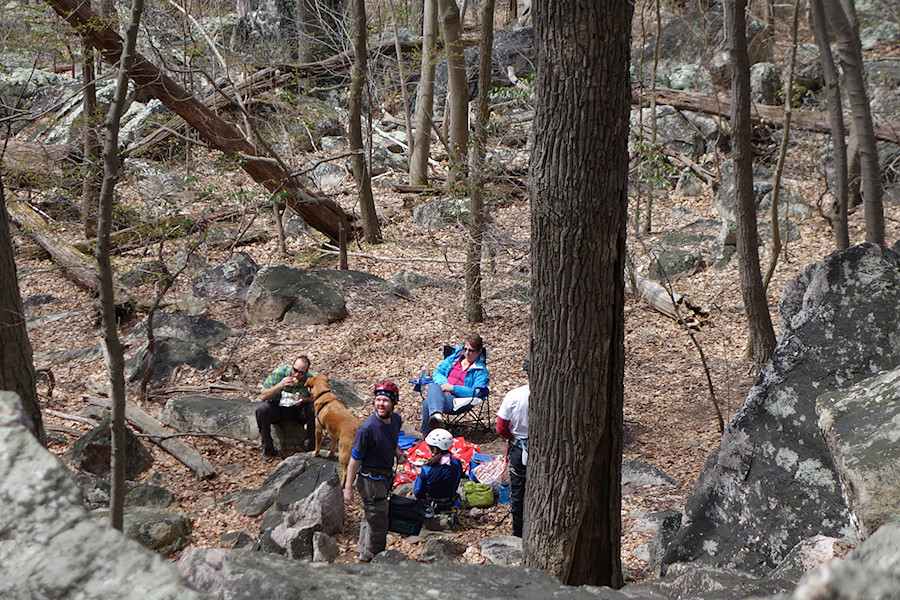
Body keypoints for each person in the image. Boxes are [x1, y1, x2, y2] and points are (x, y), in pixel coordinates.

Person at [343, 380, 408, 562]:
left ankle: (364, 552)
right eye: (378, 400)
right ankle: (374, 561)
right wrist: (348, 487)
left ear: (393, 402)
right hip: (370, 480)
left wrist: (398, 454)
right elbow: (355, 459)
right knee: (379, 523)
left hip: (384, 476)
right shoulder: (367, 429)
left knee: (370, 517)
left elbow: (391, 440)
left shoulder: (396, 420)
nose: (381, 403)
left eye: (385, 400)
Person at [420, 333, 489, 434]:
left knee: (428, 402)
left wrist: (452, 388)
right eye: (465, 349)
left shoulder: (480, 370)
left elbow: (475, 392)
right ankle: (437, 417)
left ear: (479, 351)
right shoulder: (454, 359)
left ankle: (428, 435)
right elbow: (438, 372)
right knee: (434, 387)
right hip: (441, 392)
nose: (467, 353)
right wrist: (444, 385)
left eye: (471, 350)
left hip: (459, 400)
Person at [256, 355, 315, 462]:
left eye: (301, 373)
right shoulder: (279, 373)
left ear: (306, 372)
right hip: (278, 410)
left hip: (297, 411)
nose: (297, 375)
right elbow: (263, 396)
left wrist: (304, 400)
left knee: (312, 408)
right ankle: (268, 448)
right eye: (295, 370)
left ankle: (310, 446)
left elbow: (317, 397)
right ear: (292, 366)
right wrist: (279, 385)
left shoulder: (310, 378)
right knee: (262, 409)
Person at [496, 356, 529, 537]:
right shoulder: (554, 395)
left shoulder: (514, 395)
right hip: (541, 449)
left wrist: (513, 438)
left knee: (518, 493)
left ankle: (519, 534)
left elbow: (501, 428)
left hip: (518, 446)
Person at [413, 428, 462, 513]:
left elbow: (418, 492)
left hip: (431, 506)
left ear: (435, 449)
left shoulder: (427, 469)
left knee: (415, 483)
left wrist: (419, 475)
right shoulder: (457, 464)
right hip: (450, 503)